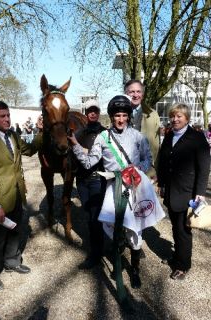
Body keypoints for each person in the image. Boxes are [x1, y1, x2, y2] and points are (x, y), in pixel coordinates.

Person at [68, 95, 153, 289]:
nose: (120, 119)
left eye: (124, 115)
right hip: (111, 188)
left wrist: (136, 169)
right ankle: (117, 261)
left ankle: (135, 268)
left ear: (129, 117)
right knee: (114, 228)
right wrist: (75, 146)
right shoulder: (102, 137)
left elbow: (148, 158)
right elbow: (90, 161)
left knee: (134, 228)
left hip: (133, 186)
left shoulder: (138, 137)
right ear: (112, 117)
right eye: (117, 116)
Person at [0, 100, 42, 290]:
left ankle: (12, 261)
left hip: (17, 194)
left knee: (15, 231)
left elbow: (28, 151)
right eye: (2, 116)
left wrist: (40, 131)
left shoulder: (12, 135)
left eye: (8, 115)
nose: (7, 119)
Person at [157, 103, 210, 280]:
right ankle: (178, 256)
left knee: (183, 230)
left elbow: (204, 168)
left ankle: (183, 265)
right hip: (171, 190)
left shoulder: (197, 137)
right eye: (173, 116)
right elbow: (163, 160)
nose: (175, 119)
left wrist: (200, 193)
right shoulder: (169, 135)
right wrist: (162, 183)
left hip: (187, 192)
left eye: (179, 116)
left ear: (187, 118)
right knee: (175, 227)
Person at [75, 100, 106, 269]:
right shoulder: (79, 132)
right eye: (89, 111)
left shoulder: (104, 132)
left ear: (99, 113)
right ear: (86, 113)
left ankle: (96, 253)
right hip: (81, 180)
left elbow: (105, 156)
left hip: (96, 179)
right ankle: (96, 248)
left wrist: (83, 150)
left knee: (96, 217)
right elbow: (70, 150)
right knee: (89, 215)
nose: (92, 114)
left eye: (95, 111)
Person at [124, 79, 160, 176]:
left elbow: (156, 146)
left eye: (138, 91)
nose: (135, 95)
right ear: (126, 94)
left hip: (148, 172)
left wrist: (156, 171)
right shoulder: (119, 114)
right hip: (125, 172)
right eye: (132, 92)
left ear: (142, 95)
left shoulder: (153, 115)